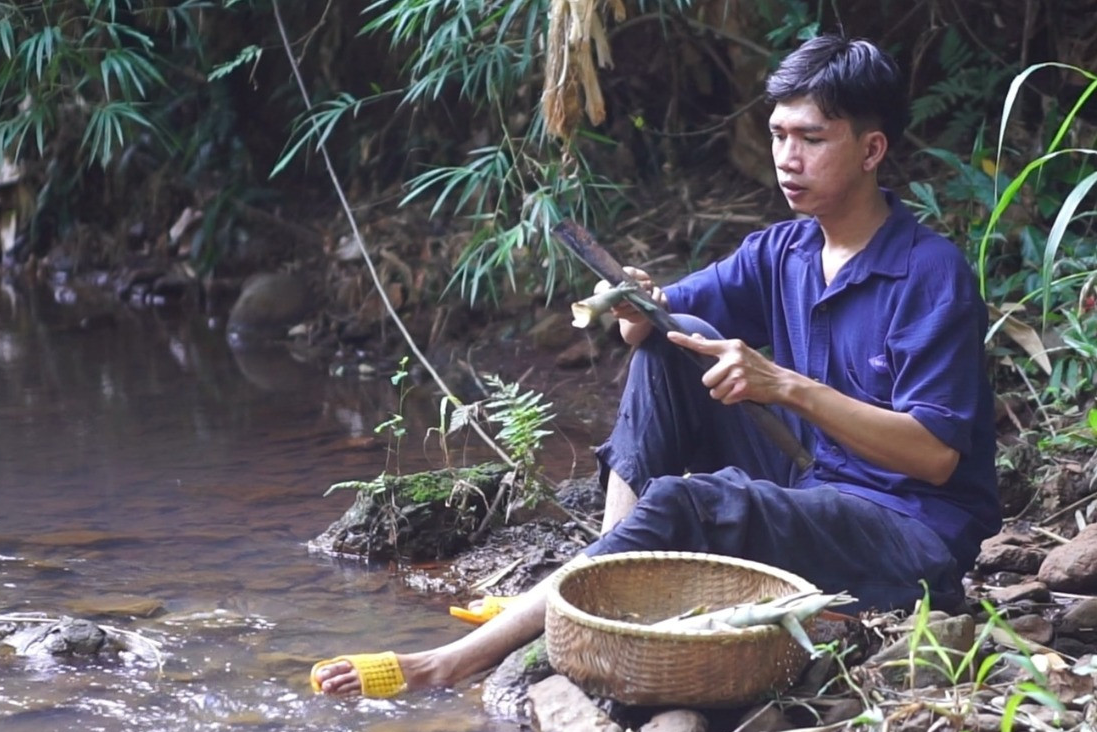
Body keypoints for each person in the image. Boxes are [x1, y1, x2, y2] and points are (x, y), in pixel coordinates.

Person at [310, 34, 1000, 698]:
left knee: (685, 503)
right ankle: (607, 573)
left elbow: (935, 457)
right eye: (778, 134)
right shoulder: (784, 249)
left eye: (812, 139)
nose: (787, 157)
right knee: (674, 343)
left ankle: (450, 663)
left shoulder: (928, 274)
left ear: (872, 148)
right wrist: (639, 304)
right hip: (817, 480)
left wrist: (783, 385)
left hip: (908, 537)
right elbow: (667, 311)